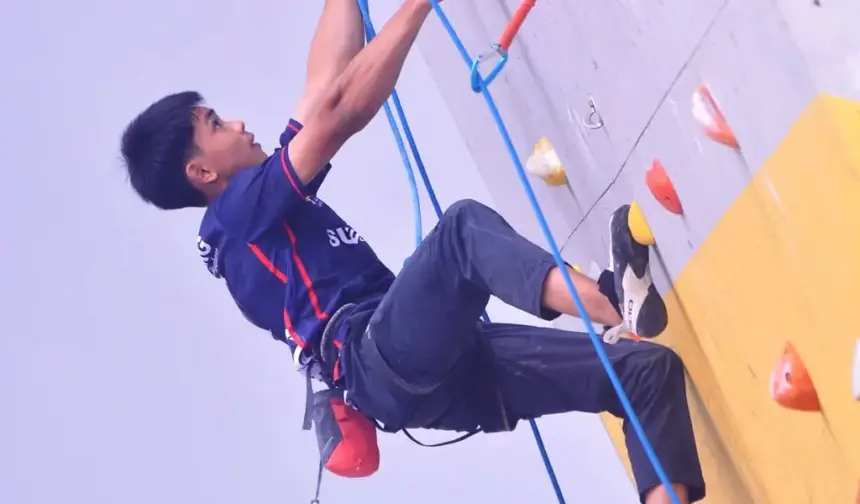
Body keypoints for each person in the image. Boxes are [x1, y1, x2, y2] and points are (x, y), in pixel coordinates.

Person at [119, 0, 706, 502]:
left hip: (424, 379)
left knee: (645, 375)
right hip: (377, 356)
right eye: (215, 123)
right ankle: (613, 299)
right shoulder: (235, 215)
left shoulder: (253, 212)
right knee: (461, 233)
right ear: (200, 171)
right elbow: (339, 113)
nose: (238, 122)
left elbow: (325, 86)